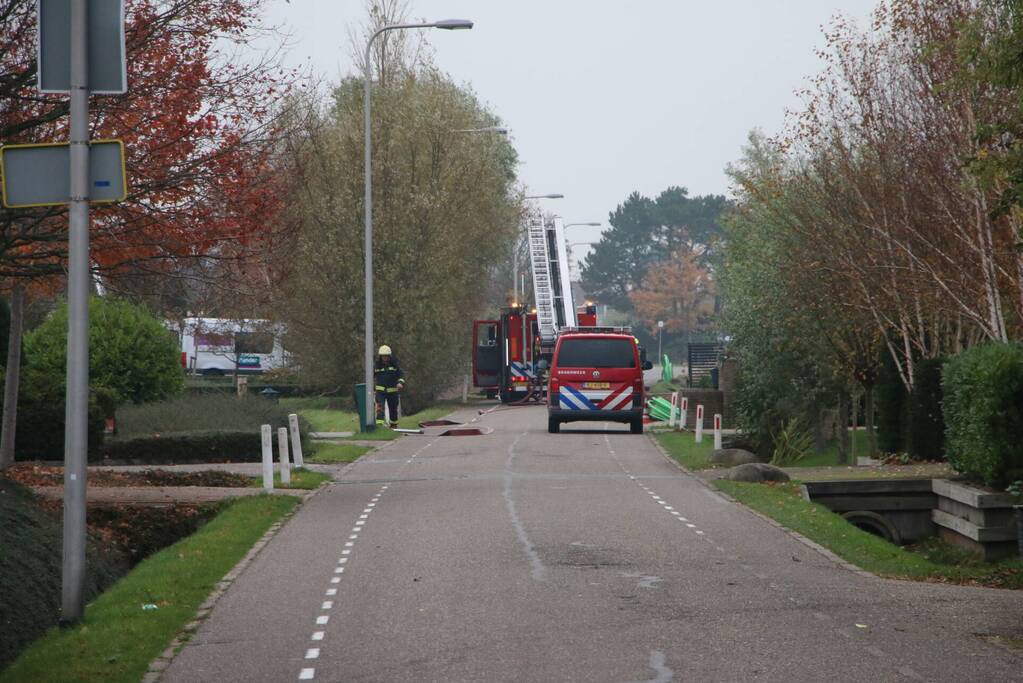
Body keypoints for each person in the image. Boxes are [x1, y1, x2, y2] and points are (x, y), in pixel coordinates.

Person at [374, 345, 405, 428]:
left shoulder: (394, 365)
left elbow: (401, 375)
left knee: (393, 409)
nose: (385, 358)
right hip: (380, 392)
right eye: (383, 356)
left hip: (392, 391)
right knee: (380, 408)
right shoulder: (376, 365)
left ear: (389, 356)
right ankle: (379, 425)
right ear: (380, 356)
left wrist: (400, 383)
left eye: (386, 356)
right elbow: (370, 376)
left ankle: (394, 425)